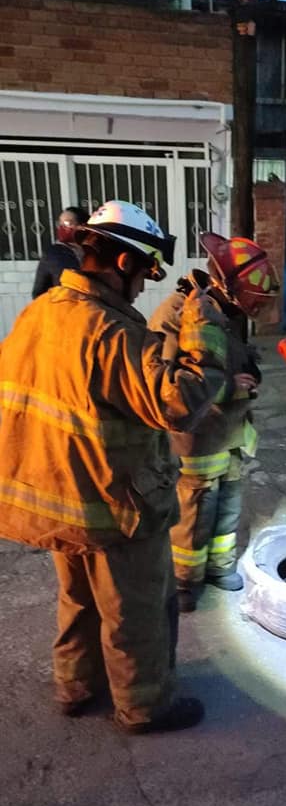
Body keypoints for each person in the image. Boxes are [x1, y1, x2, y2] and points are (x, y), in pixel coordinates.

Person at [0, 200, 245, 735]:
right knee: (136, 611)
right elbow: (181, 401)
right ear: (123, 262)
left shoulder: (40, 311)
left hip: (57, 498)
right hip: (112, 505)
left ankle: (76, 687)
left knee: (78, 601)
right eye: (146, 269)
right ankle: (144, 706)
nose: (146, 284)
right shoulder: (109, 332)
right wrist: (203, 323)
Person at [148, 232, 279, 613]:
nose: (253, 308)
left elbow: (225, 358)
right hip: (197, 439)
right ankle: (185, 581)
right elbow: (170, 385)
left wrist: (247, 369)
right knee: (195, 510)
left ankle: (220, 566)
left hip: (230, 433)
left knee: (229, 506)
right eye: (252, 298)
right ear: (229, 282)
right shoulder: (179, 313)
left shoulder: (224, 310)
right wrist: (229, 389)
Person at [32, 206, 89, 298]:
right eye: (60, 223)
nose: (62, 227)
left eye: (67, 223)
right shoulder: (53, 253)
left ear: (82, 226)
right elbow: (39, 291)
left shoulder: (93, 251)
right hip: (62, 306)